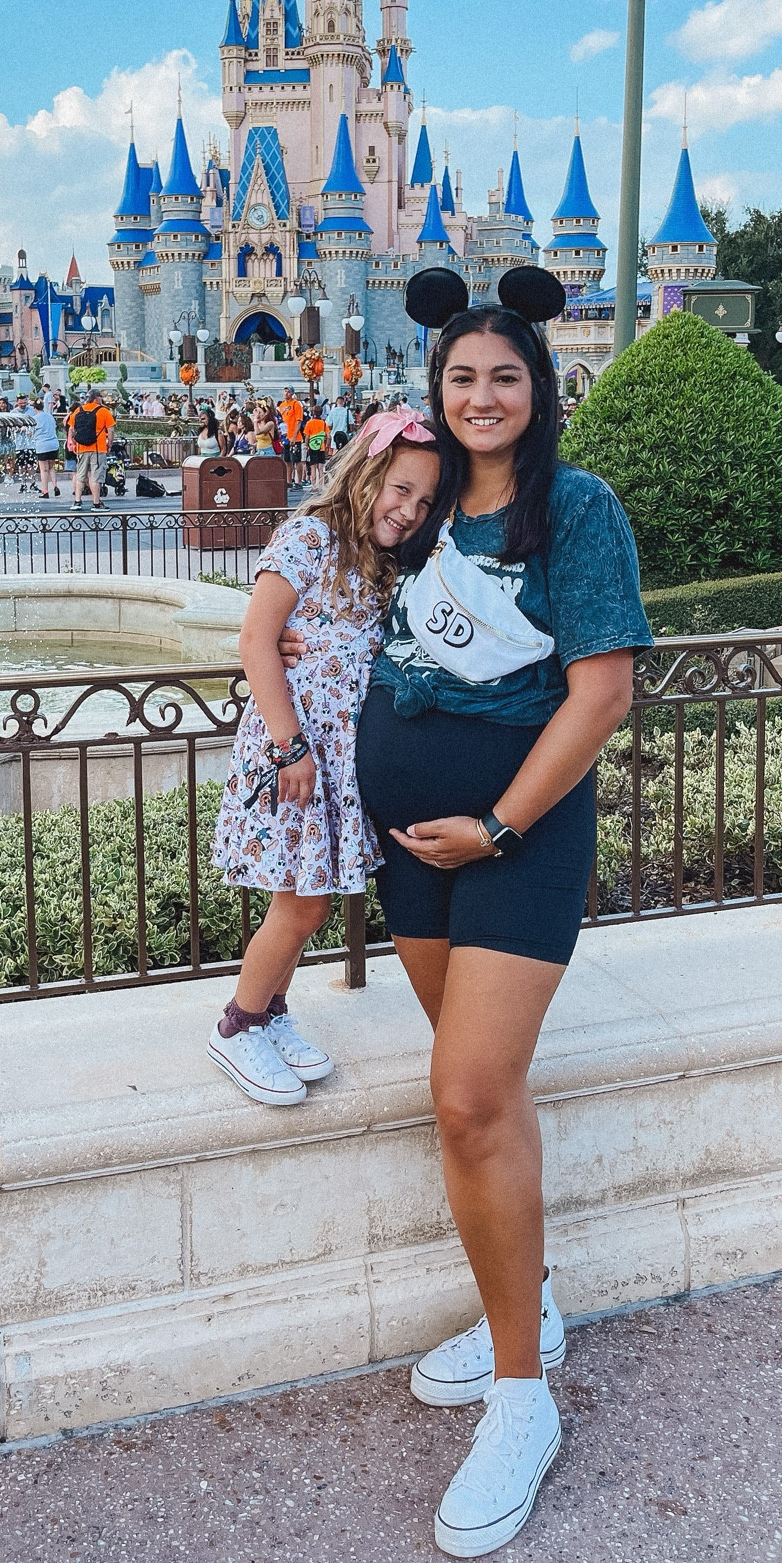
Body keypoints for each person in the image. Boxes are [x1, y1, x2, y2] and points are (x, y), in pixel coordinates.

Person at [349, 264, 651, 1558]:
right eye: (461, 376)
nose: (481, 395)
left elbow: (601, 693)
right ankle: (524, 1302)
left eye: (504, 376)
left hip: (513, 839)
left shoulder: (575, 513)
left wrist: (506, 824)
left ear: (540, 391)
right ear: (436, 388)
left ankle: (522, 1400)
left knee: (470, 1095)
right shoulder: (412, 506)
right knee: (482, 1093)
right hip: (413, 844)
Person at [209, 411, 440, 1104]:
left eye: (424, 501)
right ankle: (238, 1024)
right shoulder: (310, 536)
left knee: (303, 890)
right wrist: (291, 748)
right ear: (366, 475)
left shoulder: (381, 562)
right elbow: (257, 640)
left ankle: (272, 1012)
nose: (409, 510)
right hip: (296, 752)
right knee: (305, 904)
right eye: (400, 490)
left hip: (332, 759)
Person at [67, 387, 115, 507]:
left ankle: (77, 501)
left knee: (81, 475)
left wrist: (73, 442)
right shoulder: (104, 411)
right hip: (98, 448)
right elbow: (111, 431)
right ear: (97, 398)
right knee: (95, 476)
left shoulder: (78, 410)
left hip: (81, 448)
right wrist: (109, 444)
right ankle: (96, 503)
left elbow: (71, 429)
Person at [28, 394, 61, 498]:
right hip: (53, 444)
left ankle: (45, 490)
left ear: (34, 408)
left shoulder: (34, 418)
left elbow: (30, 432)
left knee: (43, 469)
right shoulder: (50, 416)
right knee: (51, 467)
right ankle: (55, 485)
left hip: (42, 445)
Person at [278, 389, 305, 484]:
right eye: (285, 391)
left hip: (295, 437)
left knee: (297, 460)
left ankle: (299, 481)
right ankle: (288, 481)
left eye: (288, 391)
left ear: (292, 393)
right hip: (285, 437)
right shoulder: (281, 405)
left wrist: (294, 436)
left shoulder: (296, 404)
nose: (286, 393)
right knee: (287, 460)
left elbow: (299, 421)